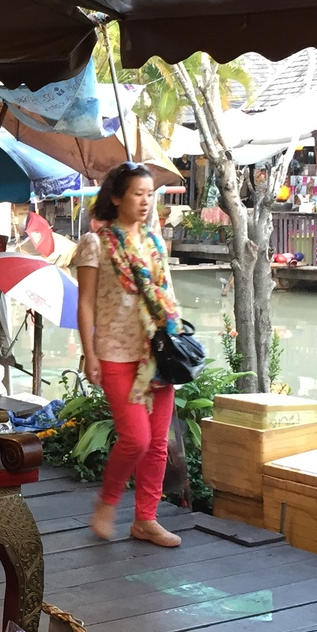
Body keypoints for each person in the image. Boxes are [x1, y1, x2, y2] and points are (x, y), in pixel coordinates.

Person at [73, 162, 181, 548]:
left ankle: (146, 519)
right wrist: (90, 353)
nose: (145, 202)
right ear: (116, 197)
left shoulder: (154, 243)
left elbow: (167, 297)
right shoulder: (95, 244)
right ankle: (107, 501)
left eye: (150, 194)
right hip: (116, 353)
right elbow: (85, 304)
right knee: (135, 438)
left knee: (158, 443)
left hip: (157, 354)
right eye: (138, 193)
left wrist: (175, 335)